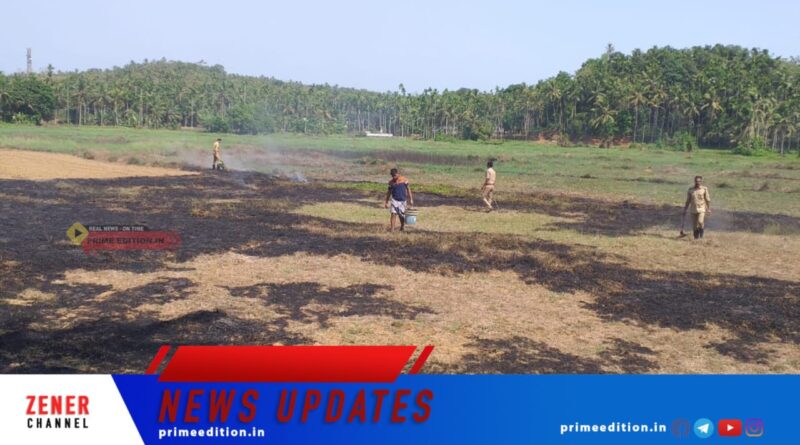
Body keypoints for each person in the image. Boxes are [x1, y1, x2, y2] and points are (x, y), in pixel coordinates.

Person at [683, 175, 711, 239]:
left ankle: (701, 236)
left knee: (700, 222)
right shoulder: (690, 190)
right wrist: (685, 209)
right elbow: (688, 201)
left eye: (699, 181)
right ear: (694, 181)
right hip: (693, 209)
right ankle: (696, 239)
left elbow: (707, 199)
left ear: (701, 182)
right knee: (694, 226)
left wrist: (709, 209)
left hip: (701, 209)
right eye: (696, 181)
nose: (697, 182)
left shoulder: (704, 189)